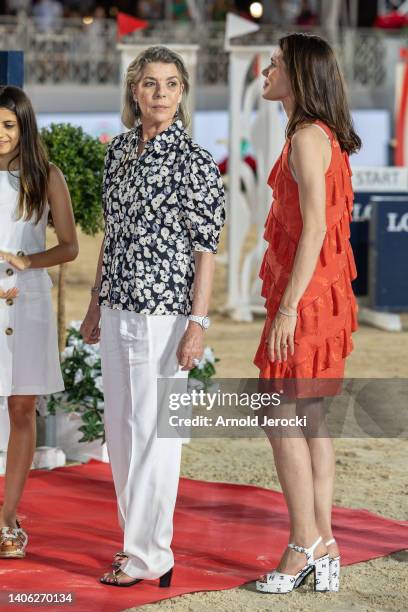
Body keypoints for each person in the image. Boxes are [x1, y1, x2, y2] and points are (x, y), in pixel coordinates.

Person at [80, 45, 225, 588]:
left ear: (182, 93)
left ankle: (149, 555)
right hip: (117, 307)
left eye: (170, 84)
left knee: (158, 435)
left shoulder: (195, 161)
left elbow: (206, 249)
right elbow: (111, 235)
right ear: (134, 92)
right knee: (120, 433)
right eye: (149, 84)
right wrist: (95, 303)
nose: (160, 94)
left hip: (167, 315)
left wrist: (198, 323)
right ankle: (136, 545)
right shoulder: (116, 152)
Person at [254, 33, 360, 594]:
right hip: (323, 297)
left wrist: (289, 307)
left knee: (280, 419)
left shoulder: (304, 138)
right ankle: (324, 541)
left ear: (297, 75)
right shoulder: (321, 135)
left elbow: (316, 227)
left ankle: (303, 544)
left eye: (273, 64)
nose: (263, 71)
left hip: (308, 301)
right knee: (309, 420)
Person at [0, 85, 78, 557]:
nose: (1, 134)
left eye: (9, 124)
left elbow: (68, 245)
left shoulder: (45, 176)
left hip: (26, 303)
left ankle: (7, 519)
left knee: (21, 408)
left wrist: (27, 262)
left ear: (24, 126)